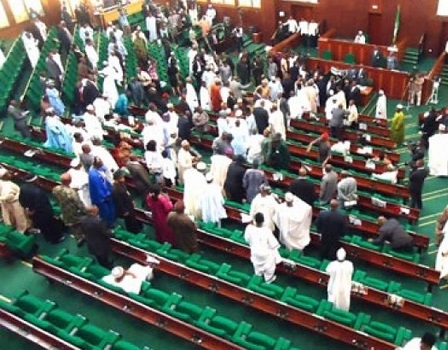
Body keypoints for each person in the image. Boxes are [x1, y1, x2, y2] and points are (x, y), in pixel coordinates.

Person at [19, 173, 65, 244]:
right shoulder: (38, 192)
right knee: (50, 226)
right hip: (44, 213)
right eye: (37, 180)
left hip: (33, 214)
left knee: (42, 227)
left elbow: (21, 201)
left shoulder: (23, 188)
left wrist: (28, 209)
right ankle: (56, 239)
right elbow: (41, 205)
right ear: (34, 181)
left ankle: (48, 238)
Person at [244, 212, 282, 284]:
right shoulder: (266, 230)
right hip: (265, 253)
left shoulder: (249, 228)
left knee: (257, 264)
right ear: (263, 221)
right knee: (270, 263)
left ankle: (258, 274)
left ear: (254, 220)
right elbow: (273, 244)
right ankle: (268, 279)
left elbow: (247, 239)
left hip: (255, 251)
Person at [52, 173, 86, 244]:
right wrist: (85, 211)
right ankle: (83, 236)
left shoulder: (56, 189)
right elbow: (79, 204)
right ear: (70, 181)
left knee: (72, 226)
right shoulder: (72, 193)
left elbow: (57, 199)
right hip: (74, 212)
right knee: (78, 224)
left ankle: (78, 238)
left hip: (64, 211)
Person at [88, 157, 116, 227]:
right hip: (102, 198)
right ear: (97, 164)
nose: (102, 163)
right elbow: (98, 188)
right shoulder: (94, 175)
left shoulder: (96, 168)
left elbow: (104, 168)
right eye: (101, 162)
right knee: (106, 213)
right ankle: (109, 225)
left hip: (106, 192)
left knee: (111, 210)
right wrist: (106, 195)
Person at [0, 169, 28, 234]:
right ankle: (18, 230)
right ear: (4, 176)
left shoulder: (5, 182)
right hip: (11, 202)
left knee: (15, 217)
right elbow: (8, 196)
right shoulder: (7, 186)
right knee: (17, 217)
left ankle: (18, 230)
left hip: (11, 202)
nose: (10, 174)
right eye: (8, 173)